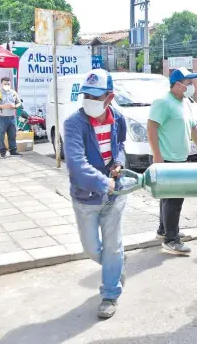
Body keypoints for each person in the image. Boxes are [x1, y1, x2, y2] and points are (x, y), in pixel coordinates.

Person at [63, 69, 127, 319]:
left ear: (109, 98)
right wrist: (103, 182)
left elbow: (120, 145)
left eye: (95, 95)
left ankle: (110, 293)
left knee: (112, 247)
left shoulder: (118, 118)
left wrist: (118, 163)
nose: (89, 99)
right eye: (86, 94)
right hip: (86, 197)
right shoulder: (73, 124)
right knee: (91, 248)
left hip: (115, 194)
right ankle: (117, 265)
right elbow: (76, 164)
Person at [147, 67, 197, 255]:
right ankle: (171, 239)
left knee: (168, 198)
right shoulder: (163, 103)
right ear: (178, 84)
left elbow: (193, 129)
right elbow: (151, 128)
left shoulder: (185, 103)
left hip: (179, 159)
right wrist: (157, 156)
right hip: (166, 159)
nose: (192, 86)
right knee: (174, 200)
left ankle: (164, 230)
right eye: (189, 82)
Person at [0, 77, 22, 158]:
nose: (7, 85)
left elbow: (19, 103)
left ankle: (13, 151)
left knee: (12, 135)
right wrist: (3, 106)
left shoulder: (13, 92)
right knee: (1, 135)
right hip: (1, 118)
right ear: (1, 84)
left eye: (8, 84)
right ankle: (2, 152)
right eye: (5, 84)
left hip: (12, 117)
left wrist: (15, 106)